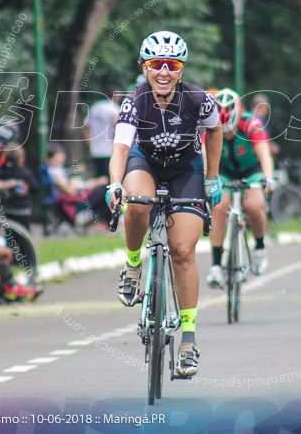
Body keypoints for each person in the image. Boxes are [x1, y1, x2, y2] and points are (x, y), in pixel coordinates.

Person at [106, 30, 222, 378]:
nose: (164, 72)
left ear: (181, 70)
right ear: (145, 67)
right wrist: (114, 183)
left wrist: (212, 176)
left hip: (187, 167)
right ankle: (132, 265)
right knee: (138, 204)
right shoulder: (135, 99)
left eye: (172, 65)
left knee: (183, 251)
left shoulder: (198, 99)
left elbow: (215, 130)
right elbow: (122, 148)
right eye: (157, 64)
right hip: (146, 161)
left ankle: (188, 338)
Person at [205, 88, 275, 288]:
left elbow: (264, 153)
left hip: (251, 170)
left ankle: (260, 247)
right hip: (224, 170)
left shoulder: (252, 123)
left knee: (254, 205)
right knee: (218, 207)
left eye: (229, 130)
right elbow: (203, 157)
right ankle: (216, 265)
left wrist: (268, 177)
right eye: (222, 131)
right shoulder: (210, 125)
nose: (226, 136)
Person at [84, 87, 125, 178]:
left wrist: (90, 144)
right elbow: (118, 126)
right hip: (109, 150)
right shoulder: (115, 109)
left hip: (95, 151)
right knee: (109, 179)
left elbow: (86, 127)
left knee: (98, 179)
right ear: (116, 97)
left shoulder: (95, 107)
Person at [0, 146, 38, 229]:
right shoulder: (25, 173)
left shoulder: (2, 172)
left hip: (7, 208)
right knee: (23, 233)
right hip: (23, 209)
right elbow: (34, 188)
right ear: (21, 159)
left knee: (9, 234)